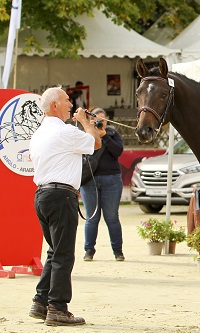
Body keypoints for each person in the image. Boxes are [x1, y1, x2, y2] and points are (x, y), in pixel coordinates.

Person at [29, 87, 101, 326]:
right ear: (54, 106)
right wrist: (85, 121)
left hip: (43, 194)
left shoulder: (40, 133)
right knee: (63, 255)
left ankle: (41, 302)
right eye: (67, 100)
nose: (71, 104)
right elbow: (96, 142)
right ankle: (58, 308)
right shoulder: (64, 131)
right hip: (60, 196)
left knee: (54, 251)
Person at [80, 108, 125, 262]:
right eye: (96, 120)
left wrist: (105, 136)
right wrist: (91, 131)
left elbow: (118, 151)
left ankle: (118, 251)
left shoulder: (112, 133)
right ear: (90, 120)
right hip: (89, 180)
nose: (100, 123)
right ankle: (89, 250)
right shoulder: (84, 133)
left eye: (102, 120)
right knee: (92, 217)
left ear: (107, 121)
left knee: (111, 217)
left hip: (111, 179)